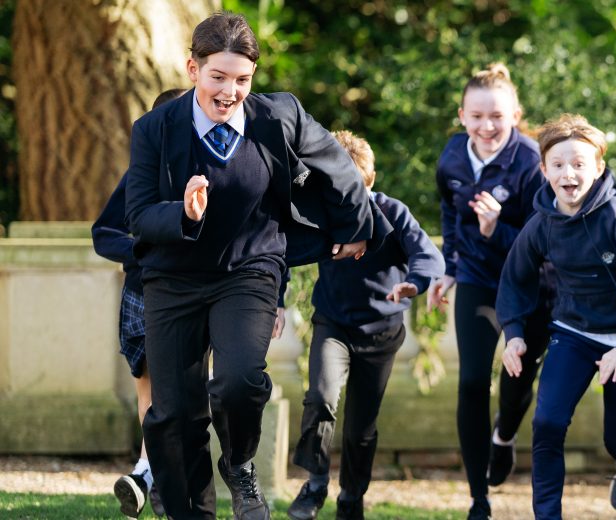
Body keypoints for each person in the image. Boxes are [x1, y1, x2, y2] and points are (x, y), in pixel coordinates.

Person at [124, 12, 383, 519]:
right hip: (173, 279)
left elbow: (336, 163)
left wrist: (357, 228)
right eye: (218, 77)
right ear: (192, 68)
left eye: (242, 79)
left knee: (240, 380)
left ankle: (239, 464)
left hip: (250, 269)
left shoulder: (278, 116)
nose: (230, 91)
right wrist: (183, 212)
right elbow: (137, 214)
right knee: (173, 417)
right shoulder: (154, 129)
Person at [496, 114, 616, 520]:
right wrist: (515, 333)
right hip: (574, 332)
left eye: (578, 163)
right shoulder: (542, 224)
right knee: (548, 423)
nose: (568, 173)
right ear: (544, 169)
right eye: (557, 164)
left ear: (598, 168)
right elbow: (515, 277)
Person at [285, 131, 443, 520]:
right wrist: (274, 301)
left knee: (360, 428)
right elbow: (279, 252)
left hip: (381, 333)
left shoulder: (392, 212)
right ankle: (316, 482)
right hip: (333, 324)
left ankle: (351, 498)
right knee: (321, 397)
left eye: (349, 186)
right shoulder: (319, 217)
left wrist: (415, 283)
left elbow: (428, 255)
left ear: (368, 182)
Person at [426, 63, 550, 519]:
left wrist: (497, 227)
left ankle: (505, 435)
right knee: (473, 381)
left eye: (497, 116)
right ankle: (479, 497)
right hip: (478, 281)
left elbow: (544, 243)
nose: (487, 126)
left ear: (515, 114)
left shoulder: (532, 162)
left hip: (531, 284)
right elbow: (450, 212)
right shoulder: (453, 157)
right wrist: (449, 267)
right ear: (462, 115)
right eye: (476, 116)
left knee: (517, 383)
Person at [96, 87, 184, 519]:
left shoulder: (211, 171)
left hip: (193, 296)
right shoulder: (139, 176)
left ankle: (149, 475)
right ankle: (153, 475)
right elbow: (103, 233)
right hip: (143, 293)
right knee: (150, 393)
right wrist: (141, 252)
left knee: (179, 394)